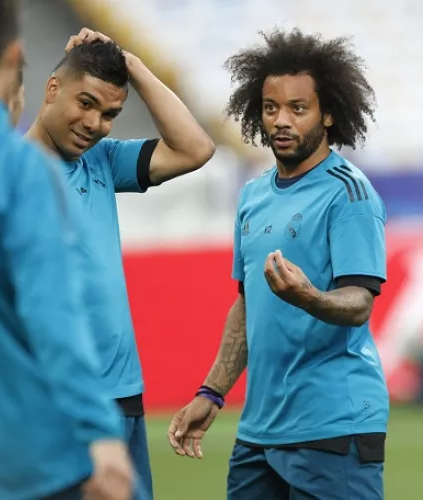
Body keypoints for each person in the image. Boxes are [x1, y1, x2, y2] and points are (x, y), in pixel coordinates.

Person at [167, 28, 389, 500]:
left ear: (328, 113)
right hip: (260, 432)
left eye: (297, 108)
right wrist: (211, 391)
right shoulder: (252, 195)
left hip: (333, 427)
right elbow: (247, 307)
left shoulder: (348, 193)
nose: (281, 121)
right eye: (271, 108)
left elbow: (359, 303)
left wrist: (307, 297)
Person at [24, 28, 216, 498]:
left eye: (110, 114)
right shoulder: (7, 174)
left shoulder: (103, 162)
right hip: (54, 401)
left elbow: (196, 148)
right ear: (52, 90)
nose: (95, 123)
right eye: (86, 103)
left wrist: (129, 62)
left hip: (122, 396)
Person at [0, 1, 133, 499]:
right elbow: (52, 313)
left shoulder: (87, 163)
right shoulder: (19, 171)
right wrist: (101, 432)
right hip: (24, 457)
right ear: (14, 59)